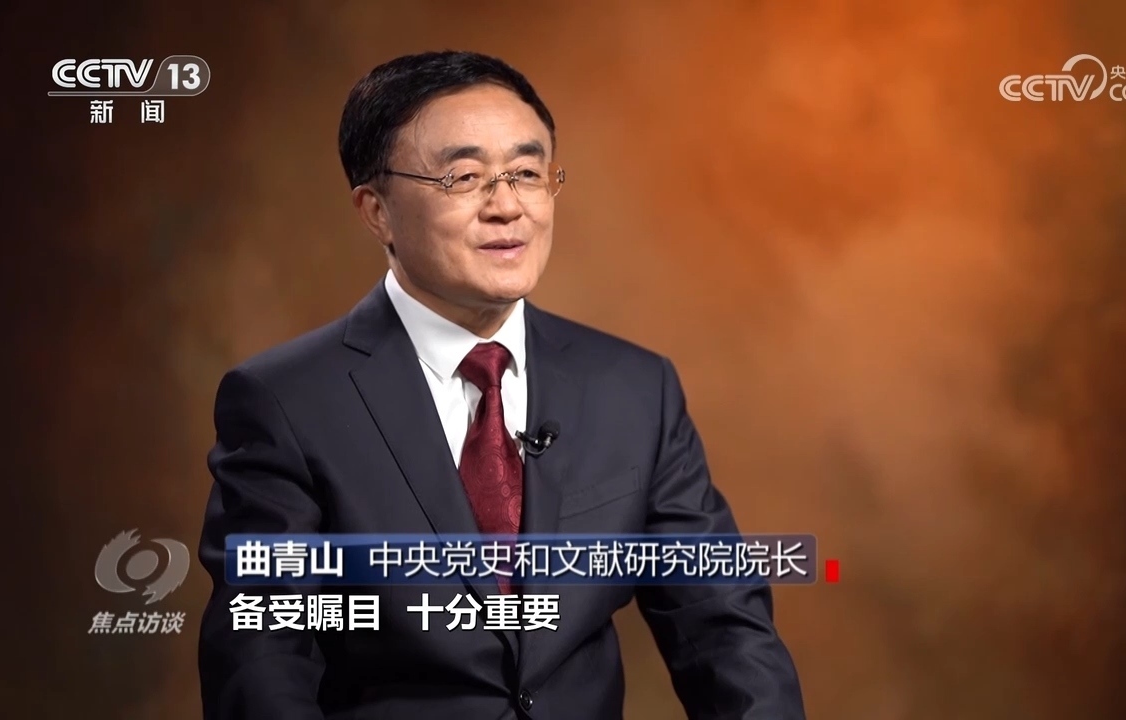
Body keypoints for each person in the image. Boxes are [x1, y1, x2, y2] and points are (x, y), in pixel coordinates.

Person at [196, 50, 806, 720]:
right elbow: (262, 659)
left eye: (527, 173)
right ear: (376, 211)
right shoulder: (286, 402)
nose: (508, 207)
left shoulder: (635, 389)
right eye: (464, 177)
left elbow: (723, 628)